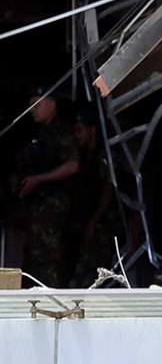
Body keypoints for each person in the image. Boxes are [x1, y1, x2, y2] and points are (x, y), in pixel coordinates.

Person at [15, 86, 80, 287]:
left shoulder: (62, 132)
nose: (33, 110)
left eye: (37, 105)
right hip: (36, 205)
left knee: (49, 259)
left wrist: (39, 179)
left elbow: (73, 165)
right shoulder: (37, 134)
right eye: (30, 106)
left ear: (52, 105)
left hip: (54, 205)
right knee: (33, 256)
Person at [70, 109, 127, 288]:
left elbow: (109, 190)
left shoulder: (105, 156)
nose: (76, 135)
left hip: (103, 227)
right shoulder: (83, 156)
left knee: (95, 277)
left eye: (80, 130)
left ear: (92, 130)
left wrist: (93, 222)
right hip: (87, 224)